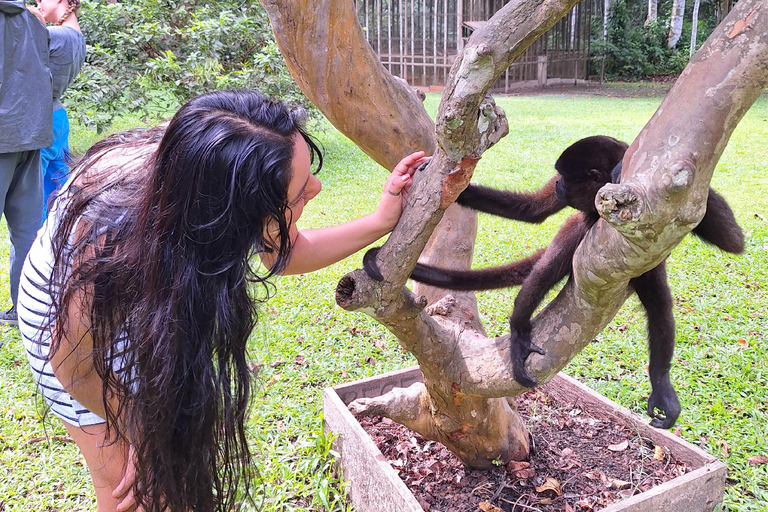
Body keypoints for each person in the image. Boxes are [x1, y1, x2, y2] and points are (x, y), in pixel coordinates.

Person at [18, 89, 427, 512]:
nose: (318, 188)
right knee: (133, 488)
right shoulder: (107, 233)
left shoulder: (215, 174)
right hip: (74, 335)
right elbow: (74, 365)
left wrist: (382, 219)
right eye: (302, 191)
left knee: (176, 462)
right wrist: (140, 429)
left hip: (150, 303)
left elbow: (285, 251)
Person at [0, 0, 53, 326]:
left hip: (4, 137)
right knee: (28, 231)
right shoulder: (35, 21)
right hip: (31, 135)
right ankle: (27, 310)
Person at [32, 0, 86, 219]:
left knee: (35, 200)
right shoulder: (78, 38)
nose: (38, 2)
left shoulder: (58, 35)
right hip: (57, 118)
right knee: (58, 193)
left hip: (40, 121)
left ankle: (39, 247)